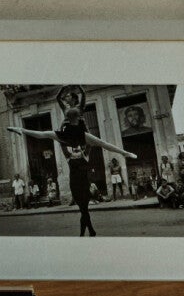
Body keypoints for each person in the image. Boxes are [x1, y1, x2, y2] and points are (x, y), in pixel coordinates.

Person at [15, 87, 135, 238]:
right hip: (75, 181)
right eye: (76, 149)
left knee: (84, 210)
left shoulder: (84, 154)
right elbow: (51, 137)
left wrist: (79, 88)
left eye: (69, 97)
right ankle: (89, 231)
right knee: (84, 210)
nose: (77, 150)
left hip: (83, 179)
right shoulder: (70, 156)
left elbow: (100, 144)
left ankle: (85, 232)